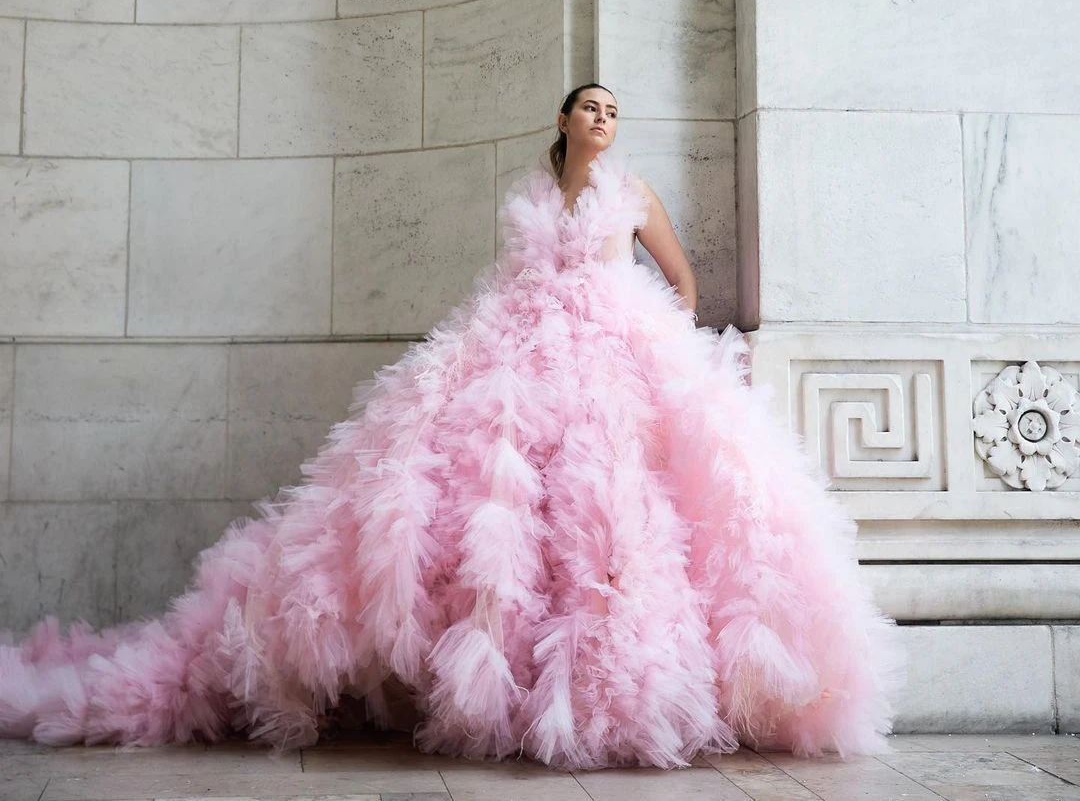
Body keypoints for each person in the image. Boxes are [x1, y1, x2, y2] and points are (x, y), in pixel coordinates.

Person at [0, 82, 904, 770]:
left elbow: (683, 280)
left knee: (608, 509)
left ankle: (600, 686)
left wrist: (666, 337)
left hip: (609, 350)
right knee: (481, 501)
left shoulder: (633, 196)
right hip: (520, 346)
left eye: (613, 110)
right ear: (563, 124)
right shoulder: (536, 193)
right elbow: (514, 279)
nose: (603, 118)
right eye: (589, 107)